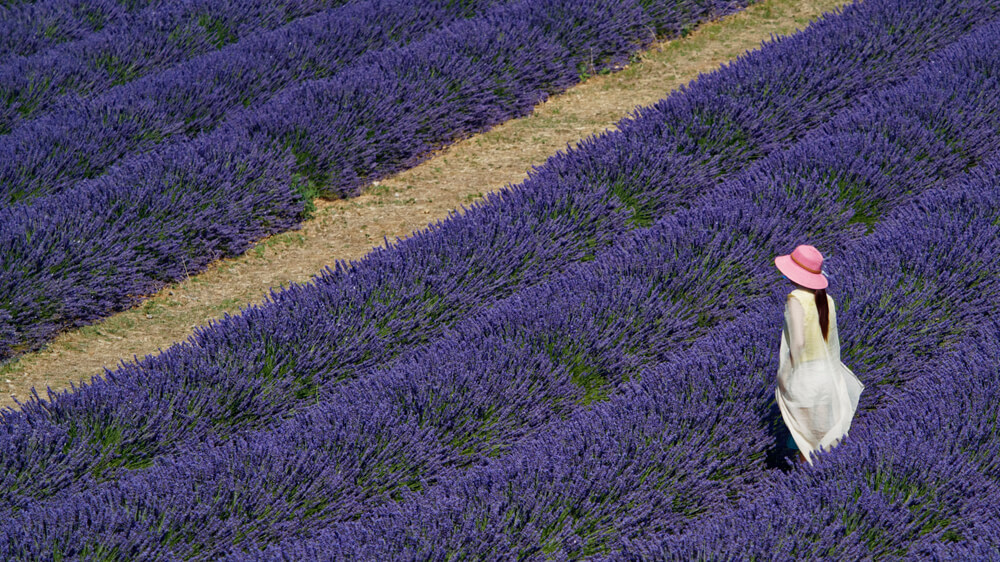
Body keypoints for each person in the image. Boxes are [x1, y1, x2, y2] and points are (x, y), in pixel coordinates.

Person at [773, 244, 864, 466]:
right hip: (825, 378)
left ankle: (806, 486)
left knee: (805, 444)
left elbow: (799, 343)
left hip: (804, 379)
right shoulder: (827, 300)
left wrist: (784, 374)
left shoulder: (795, 298)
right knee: (822, 443)